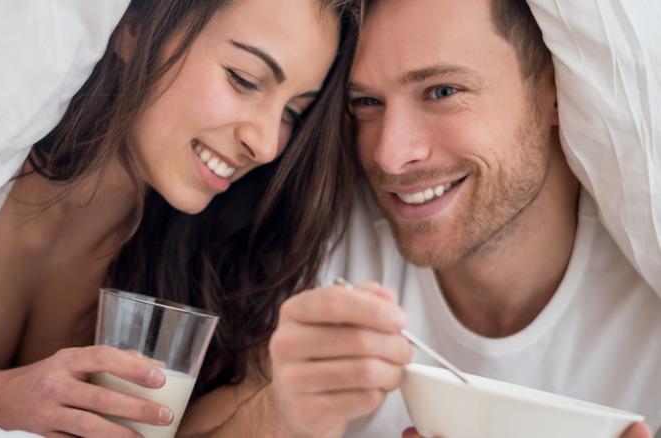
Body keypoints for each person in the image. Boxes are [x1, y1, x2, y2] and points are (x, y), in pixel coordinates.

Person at [175, 0, 661, 437]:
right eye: (367, 103)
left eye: (442, 90)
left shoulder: (646, 291)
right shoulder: (336, 250)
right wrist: (280, 415)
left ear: (555, 90)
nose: (389, 155)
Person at [0, 0, 361, 436]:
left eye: (293, 112)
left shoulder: (217, 271)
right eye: (245, 79)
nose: (267, 144)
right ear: (131, 30)